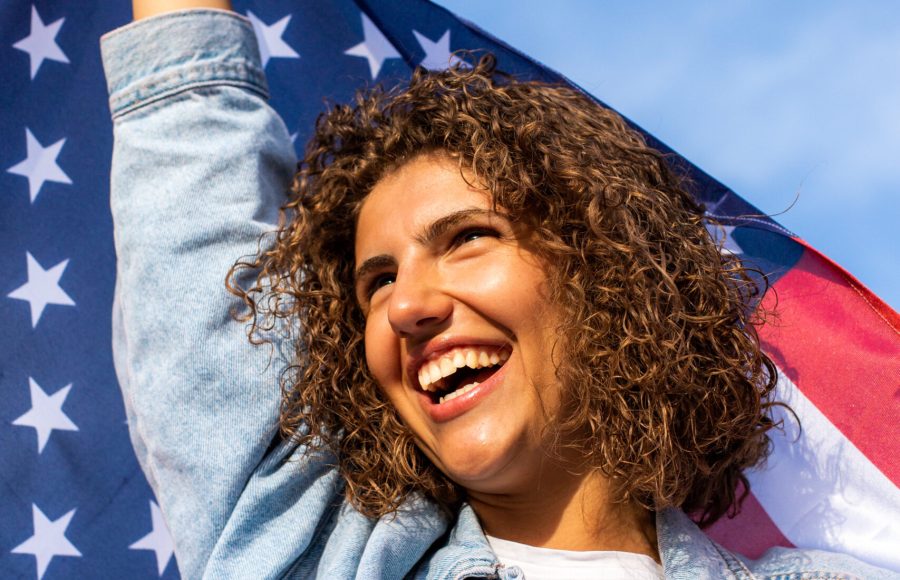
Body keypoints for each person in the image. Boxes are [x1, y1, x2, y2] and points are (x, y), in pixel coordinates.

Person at [101, 1, 895, 578]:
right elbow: (200, 247)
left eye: (466, 238)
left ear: (609, 278)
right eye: (376, 282)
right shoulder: (311, 559)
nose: (406, 306)